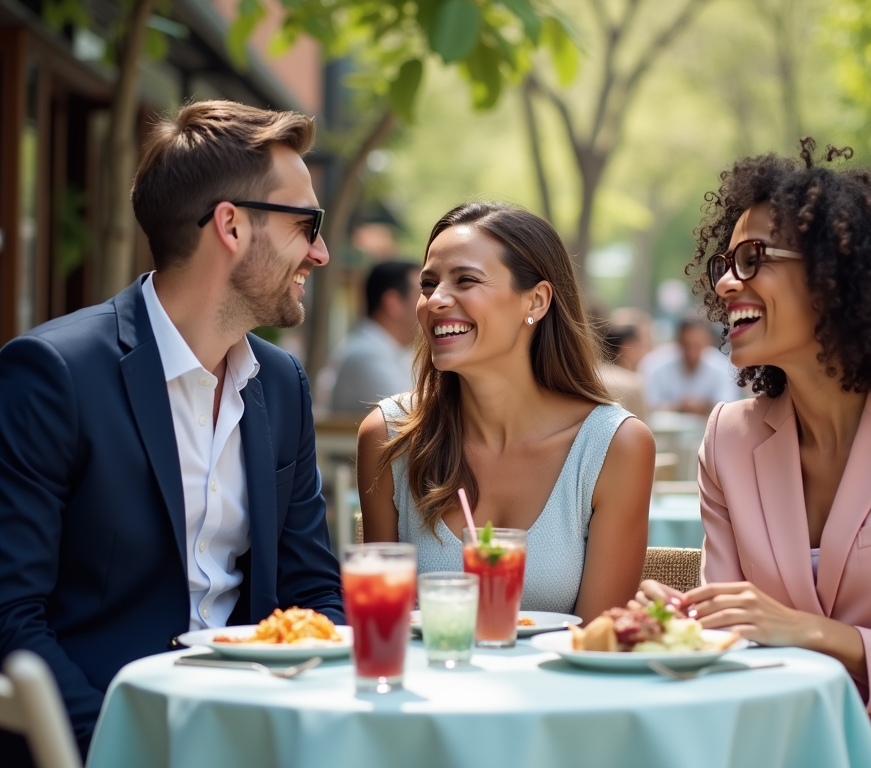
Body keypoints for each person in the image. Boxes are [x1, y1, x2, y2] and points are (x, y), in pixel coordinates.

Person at [636, 140, 871, 767]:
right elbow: (735, 638)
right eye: (724, 263)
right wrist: (684, 624)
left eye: (753, 257)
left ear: (836, 272)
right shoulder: (728, 437)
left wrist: (816, 634)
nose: (728, 281)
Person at [0, 100, 344, 764]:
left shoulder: (280, 385)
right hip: (98, 736)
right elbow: (10, 616)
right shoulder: (53, 375)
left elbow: (312, 592)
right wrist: (128, 746)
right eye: (307, 225)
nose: (321, 252)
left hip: (254, 730)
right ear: (232, 226)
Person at [356, 203, 656, 623]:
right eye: (428, 284)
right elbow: (381, 625)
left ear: (535, 300)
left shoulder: (613, 447)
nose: (435, 300)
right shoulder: (390, 435)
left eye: (466, 280)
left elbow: (596, 645)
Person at [329, 260, 419, 413]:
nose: (432, 304)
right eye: (423, 295)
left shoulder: (389, 350)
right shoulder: (366, 354)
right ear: (393, 303)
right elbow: (413, 418)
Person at [639, 315, 744, 413]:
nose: (691, 352)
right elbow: (647, 404)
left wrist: (704, 407)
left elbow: (729, 404)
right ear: (678, 341)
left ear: (708, 342)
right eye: (686, 345)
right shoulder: (655, 363)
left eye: (697, 345)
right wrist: (679, 406)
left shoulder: (722, 366)